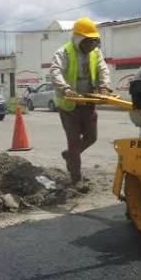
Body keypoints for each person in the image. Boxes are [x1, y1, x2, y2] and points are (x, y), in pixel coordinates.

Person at [50, 17, 111, 188]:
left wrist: (104, 86)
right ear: (78, 38)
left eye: (93, 42)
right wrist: (65, 89)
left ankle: (70, 155)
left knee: (92, 137)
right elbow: (55, 71)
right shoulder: (64, 52)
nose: (91, 46)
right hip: (69, 105)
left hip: (88, 101)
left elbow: (103, 69)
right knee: (74, 141)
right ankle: (76, 178)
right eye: (88, 41)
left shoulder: (95, 53)